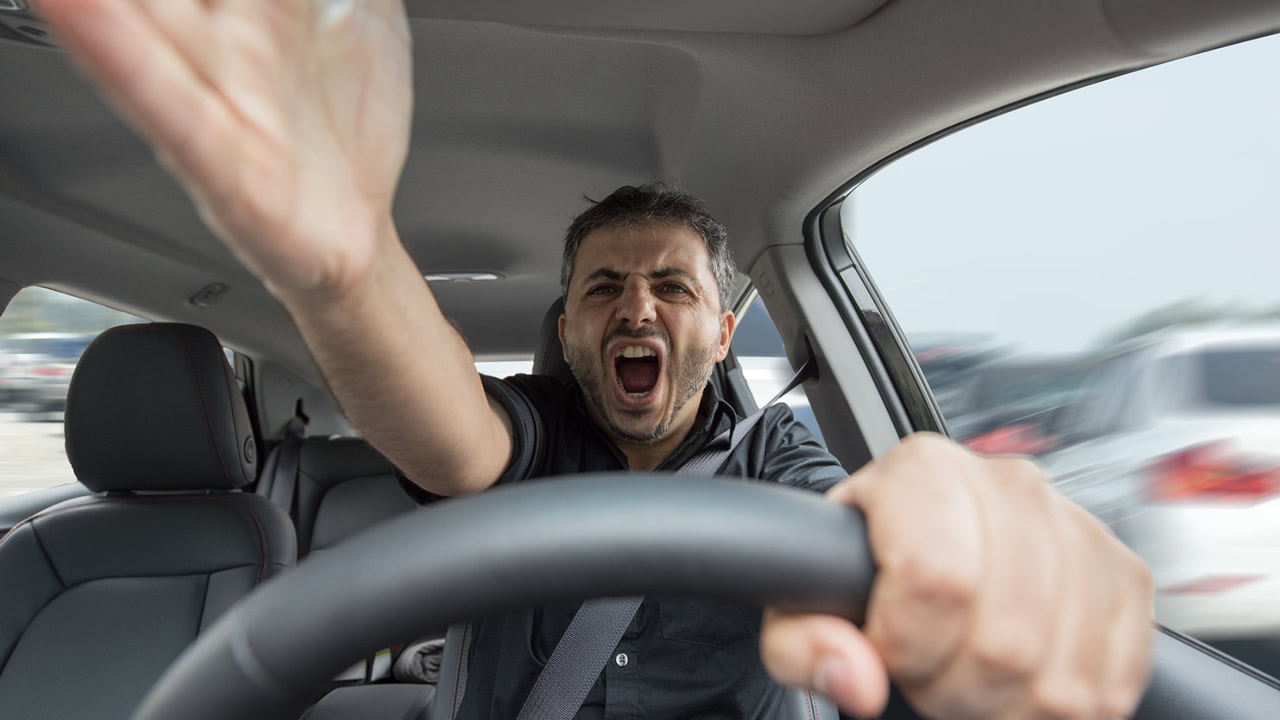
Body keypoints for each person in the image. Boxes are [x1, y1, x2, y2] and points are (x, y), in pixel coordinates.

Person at [30, 2, 1153, 719]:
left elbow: (857, 513)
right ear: (566, 329)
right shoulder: (534, 429)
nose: (638, 309)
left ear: (721, 332)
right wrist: (345, 264)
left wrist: (954, 541)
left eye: (673, 288)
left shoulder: (774, 450)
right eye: (604, 290)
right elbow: (446, 431)